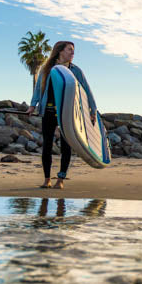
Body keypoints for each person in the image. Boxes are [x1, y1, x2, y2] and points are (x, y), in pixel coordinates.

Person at [26, 41, 97, 189]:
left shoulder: (75, 70)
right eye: (69, 50)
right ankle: (47, 180)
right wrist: (33, 106)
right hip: (49, 111)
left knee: (66, 146)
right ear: (60, 51)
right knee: (47, 146)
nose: (72, 53)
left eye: (73, 50)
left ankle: (61, 179)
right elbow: (39, 89)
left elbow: (87, 90)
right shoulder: (47, 69)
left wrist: (93, 109)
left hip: (67, 113)